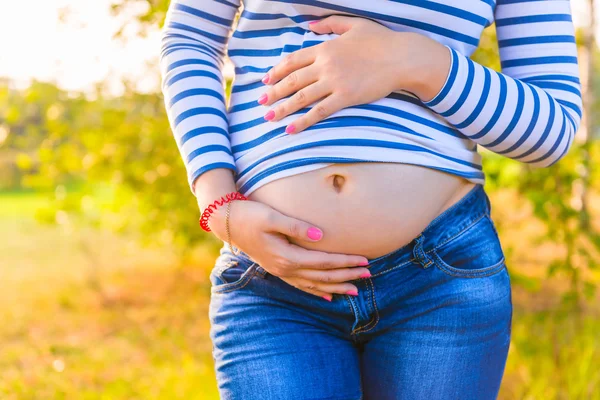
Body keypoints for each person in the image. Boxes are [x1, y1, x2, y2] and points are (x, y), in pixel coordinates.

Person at [159, 1, 582, 399]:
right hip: (274, 287)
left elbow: (554, 130)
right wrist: (218, 202)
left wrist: (417, 62)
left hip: (438, 280)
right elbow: (190, 38)